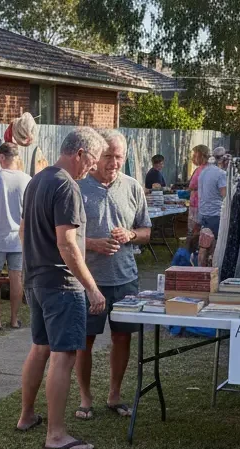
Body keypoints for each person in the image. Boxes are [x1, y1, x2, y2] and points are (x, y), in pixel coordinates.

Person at [16, 127, 107, 449]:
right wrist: (92, 288)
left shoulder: (38, 180)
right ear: (79, 154)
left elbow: (24, 231)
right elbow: (68, 244)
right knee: (63, 356)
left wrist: (30, 271)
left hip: (37, 279)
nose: (92, 168)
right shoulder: (67, 186)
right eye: (92, 161)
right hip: (61, 285)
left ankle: (27, 415)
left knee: (39, 347)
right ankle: (56, 434)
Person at [74, 130, 152, 420]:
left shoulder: (132, 187)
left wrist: (131, 234)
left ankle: (114, 395)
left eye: (119, 157)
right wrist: (92, 243)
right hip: (89, 280)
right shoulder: (78, 187)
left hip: (125, 278)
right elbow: (63, 237)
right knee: (85, 340)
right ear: (96, 157)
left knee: (122, 338)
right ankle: (85, 398)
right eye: (108, 156)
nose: (114, 162)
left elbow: (146, 231)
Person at [0, 143, 31, 330]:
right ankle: (15, 319)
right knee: (16, 277)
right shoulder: (27, 179)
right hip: (19, 238)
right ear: (16, 157)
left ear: (1, 157)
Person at [196, 146, 228, 265]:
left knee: (204, 245)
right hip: (216, 214)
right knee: (216, 247)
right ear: (223, 159)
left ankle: (200, 272)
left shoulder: (204, 171)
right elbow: (225, 196)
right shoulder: (221, 174)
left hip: (203, 213)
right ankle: (212, 273)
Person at [186, 144, 210, 252]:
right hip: (203, 203)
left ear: (200, 155)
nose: (193, 158)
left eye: (195, 155)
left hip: (197, 204)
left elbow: (192, 186)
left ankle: (190, 252)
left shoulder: (201, 169)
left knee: (194, 229)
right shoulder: (210, 168)